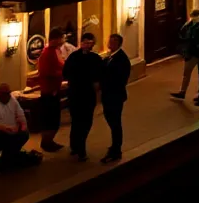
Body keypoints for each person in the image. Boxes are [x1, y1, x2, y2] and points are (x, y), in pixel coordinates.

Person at [62, 32, 102, 161]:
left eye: (90, 43)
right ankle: (79, 148)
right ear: (81, 43)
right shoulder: (73, 57)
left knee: (85, 122)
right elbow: (65, 73)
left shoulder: (95, 58)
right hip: (76, 94)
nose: (87, 46)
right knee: (78, 122)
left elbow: (99, 77)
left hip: (88, 95)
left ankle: (76, 146)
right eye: (85, 43)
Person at [0, 84, 29, 172]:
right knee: (7, 138)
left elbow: (20, 115)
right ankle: (5, 161)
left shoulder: (13, 101)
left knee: (24, 135)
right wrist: (3, 128)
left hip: (12, 129)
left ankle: (8, 159)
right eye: (6, 93)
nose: (8, 95)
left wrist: (22, 126)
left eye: (9, 93)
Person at [101, 33, 131, 164]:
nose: (110, 43)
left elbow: (119, 79)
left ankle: (116, 150)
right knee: (111, 120)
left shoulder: (121, 59)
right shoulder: (110, 57)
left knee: (115, 123)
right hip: (108, 96)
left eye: (113, 41)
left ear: (118, 43)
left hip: (115, 96)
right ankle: (114, 146)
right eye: (109, 40)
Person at [36, 27, 66, 153]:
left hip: (55, 89)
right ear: (55, 39)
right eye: (62, 38)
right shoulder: (47, 53)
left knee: (54, 118)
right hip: (49, 91)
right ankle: (46, 142)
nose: (63, 41)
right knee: (50, 118)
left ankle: (50, 140)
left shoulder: (56, 51)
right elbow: (46, 72)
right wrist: (62, 74)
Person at [171, 9, 199, 101]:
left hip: (198, 53)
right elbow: (183, 34)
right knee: (187, 73)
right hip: (191, 53)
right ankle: (182, 92)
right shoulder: (190, 25)